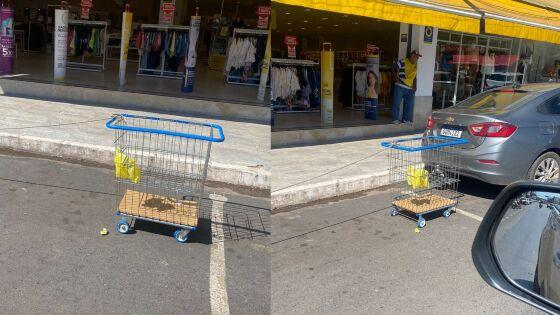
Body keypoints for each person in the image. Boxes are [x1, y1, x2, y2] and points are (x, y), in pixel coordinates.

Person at [392, 50, 421, 124]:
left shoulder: (415, 65)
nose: (417, 58)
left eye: (417, 57)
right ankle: (395, 119)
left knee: (409, 104)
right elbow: (393, 67)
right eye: (416, 56)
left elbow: (414, 77)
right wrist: (396, 78)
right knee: (396, 103)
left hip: (410, 88)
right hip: (400, 86)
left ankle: (406, 119)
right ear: (411, 55)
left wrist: (415, 86)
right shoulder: (403, 61)